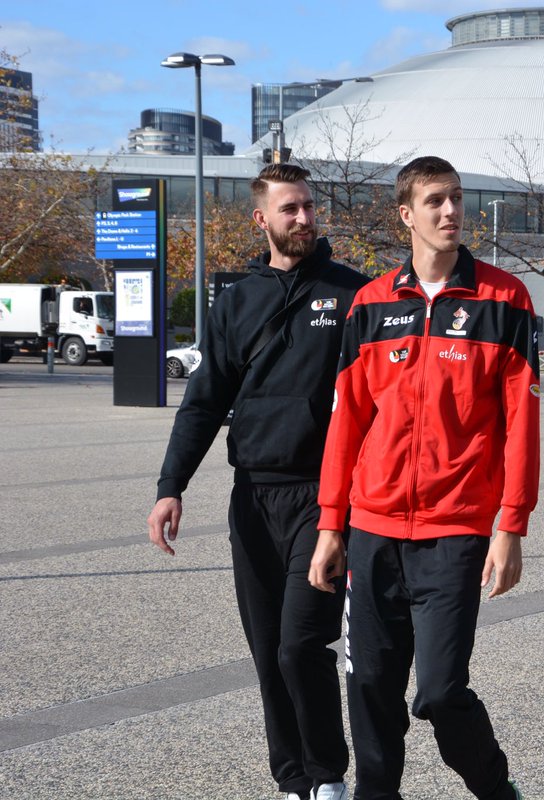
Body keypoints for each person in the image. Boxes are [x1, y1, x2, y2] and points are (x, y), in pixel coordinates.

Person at [308, 155, 539, 800]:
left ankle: (495, 788)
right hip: (373, 530)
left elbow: (522, 425)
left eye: (457, 199)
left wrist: (510, 525)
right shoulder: (371, 303)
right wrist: (332, 527)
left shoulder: (504, 299)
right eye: (436, 200)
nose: (451, 212)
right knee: (371, 689)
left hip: (456, 532)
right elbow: (346, 423)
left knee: (439, 691)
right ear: (407, 214)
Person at [147, 163, 369, 800]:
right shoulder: (236, 302)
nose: (303, 219)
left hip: (323, 498)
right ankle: (295, 780)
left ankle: (329, 774)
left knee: (303, 643)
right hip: (253, 498)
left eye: (308, 207)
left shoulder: (353, 293)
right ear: (261, 219)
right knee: (269, 650)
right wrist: (171, 486)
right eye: (290, 209)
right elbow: (204, 401)